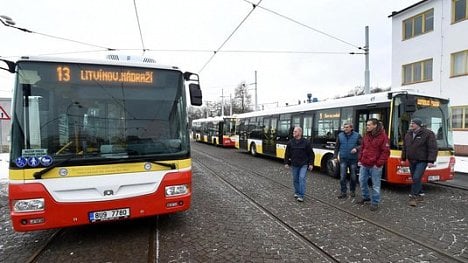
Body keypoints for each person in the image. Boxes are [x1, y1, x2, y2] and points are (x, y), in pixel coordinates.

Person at [400, 118, 437, 207]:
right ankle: (421, 194)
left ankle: (413, 197)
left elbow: (432, 147)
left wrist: (431, 160)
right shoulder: (408, 133)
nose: (411, 125)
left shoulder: (428, 133)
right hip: (411, 160)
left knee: (416, 177)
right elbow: (405, 147)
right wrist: (403, 158)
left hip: (422, 160)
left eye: (413, 123)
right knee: (415, 178)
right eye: (411, 123)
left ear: (419, 125)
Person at [357, 118, 390, 211]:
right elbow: (362, 147)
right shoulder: (366, 135)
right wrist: (360, 159)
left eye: (369, 125)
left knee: (376, 184)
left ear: (375, 125)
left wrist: (379, 163)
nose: (367, 126)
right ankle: (366, 197)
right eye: (367, 125)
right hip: (364, 163)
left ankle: (375, 202)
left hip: (375, 165)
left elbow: (386, 152)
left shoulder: (383, 136)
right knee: (362, 181)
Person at [284, 127, 314, 202]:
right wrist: (286, 163)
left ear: (300, 133)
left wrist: (311, 164)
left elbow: (311, 154)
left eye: (295, 131)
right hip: (294, 164)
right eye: (293, 131)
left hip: (303, 164)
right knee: (295, 179)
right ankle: (297, 192)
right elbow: (287, 154)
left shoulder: (306, 142)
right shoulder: (290, 142)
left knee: (301, 178)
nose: (293, 133)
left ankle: (301, 195)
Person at [333, 123, 362, 199]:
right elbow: (336, 147)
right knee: (342, 177)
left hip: (353, 159)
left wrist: (356, 149)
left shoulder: (357, 135)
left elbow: (362, 145)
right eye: (344, 127)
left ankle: (352, 191)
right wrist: (335, 157)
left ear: (351, 128)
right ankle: (343, 192)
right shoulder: (340, 136)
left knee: (353, 177)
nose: (345, 129)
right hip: (343, 159)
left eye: (347, 127)